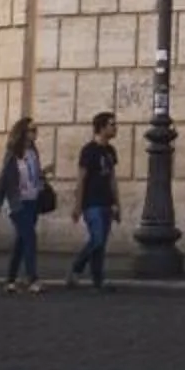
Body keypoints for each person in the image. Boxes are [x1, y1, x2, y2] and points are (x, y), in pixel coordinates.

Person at [0, 118, 49, 294]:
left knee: (21, 241)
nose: (35, 134)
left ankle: (10, 280)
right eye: (32, 130)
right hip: (17, 203)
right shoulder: (13, 154)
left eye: (36, 130)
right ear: (22, 132)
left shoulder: (33, 152)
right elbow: (4, 178)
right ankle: (32, 278)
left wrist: (43, 175)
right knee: (30, 237)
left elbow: (33, 174)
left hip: (32, 200)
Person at [68, 112, 121, 290]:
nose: (115, 128)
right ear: (101, 127)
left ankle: (98, 280)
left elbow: (112, 179)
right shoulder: (89, 151)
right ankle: (77, 267)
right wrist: (77, 205)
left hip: (106, 202)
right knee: (97, 240)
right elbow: (81, 179)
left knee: (101, 244)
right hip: (92, 203)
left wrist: (117, 204)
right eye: (112, 125)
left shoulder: (111, 151)